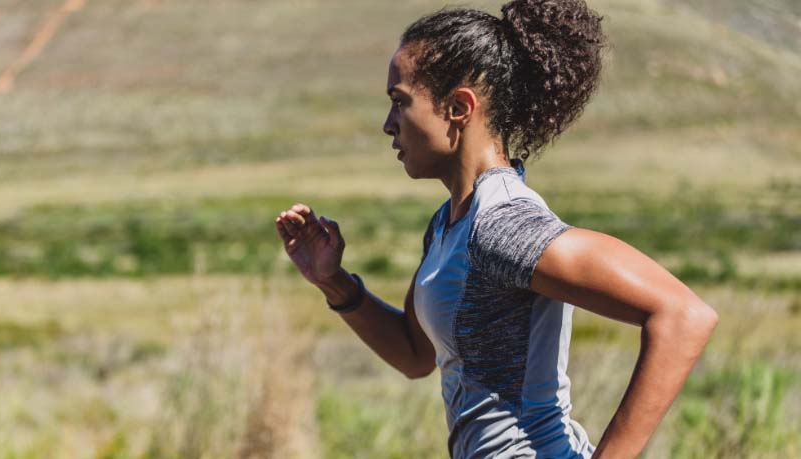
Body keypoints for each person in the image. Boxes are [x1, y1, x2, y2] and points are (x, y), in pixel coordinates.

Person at [274, 1, 719, 457]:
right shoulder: (451, 224)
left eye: (400, 102)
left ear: (459, 107)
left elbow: (683, 316)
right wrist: (333, 282)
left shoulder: (503, 225)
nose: (388, 124)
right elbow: (414, 354)